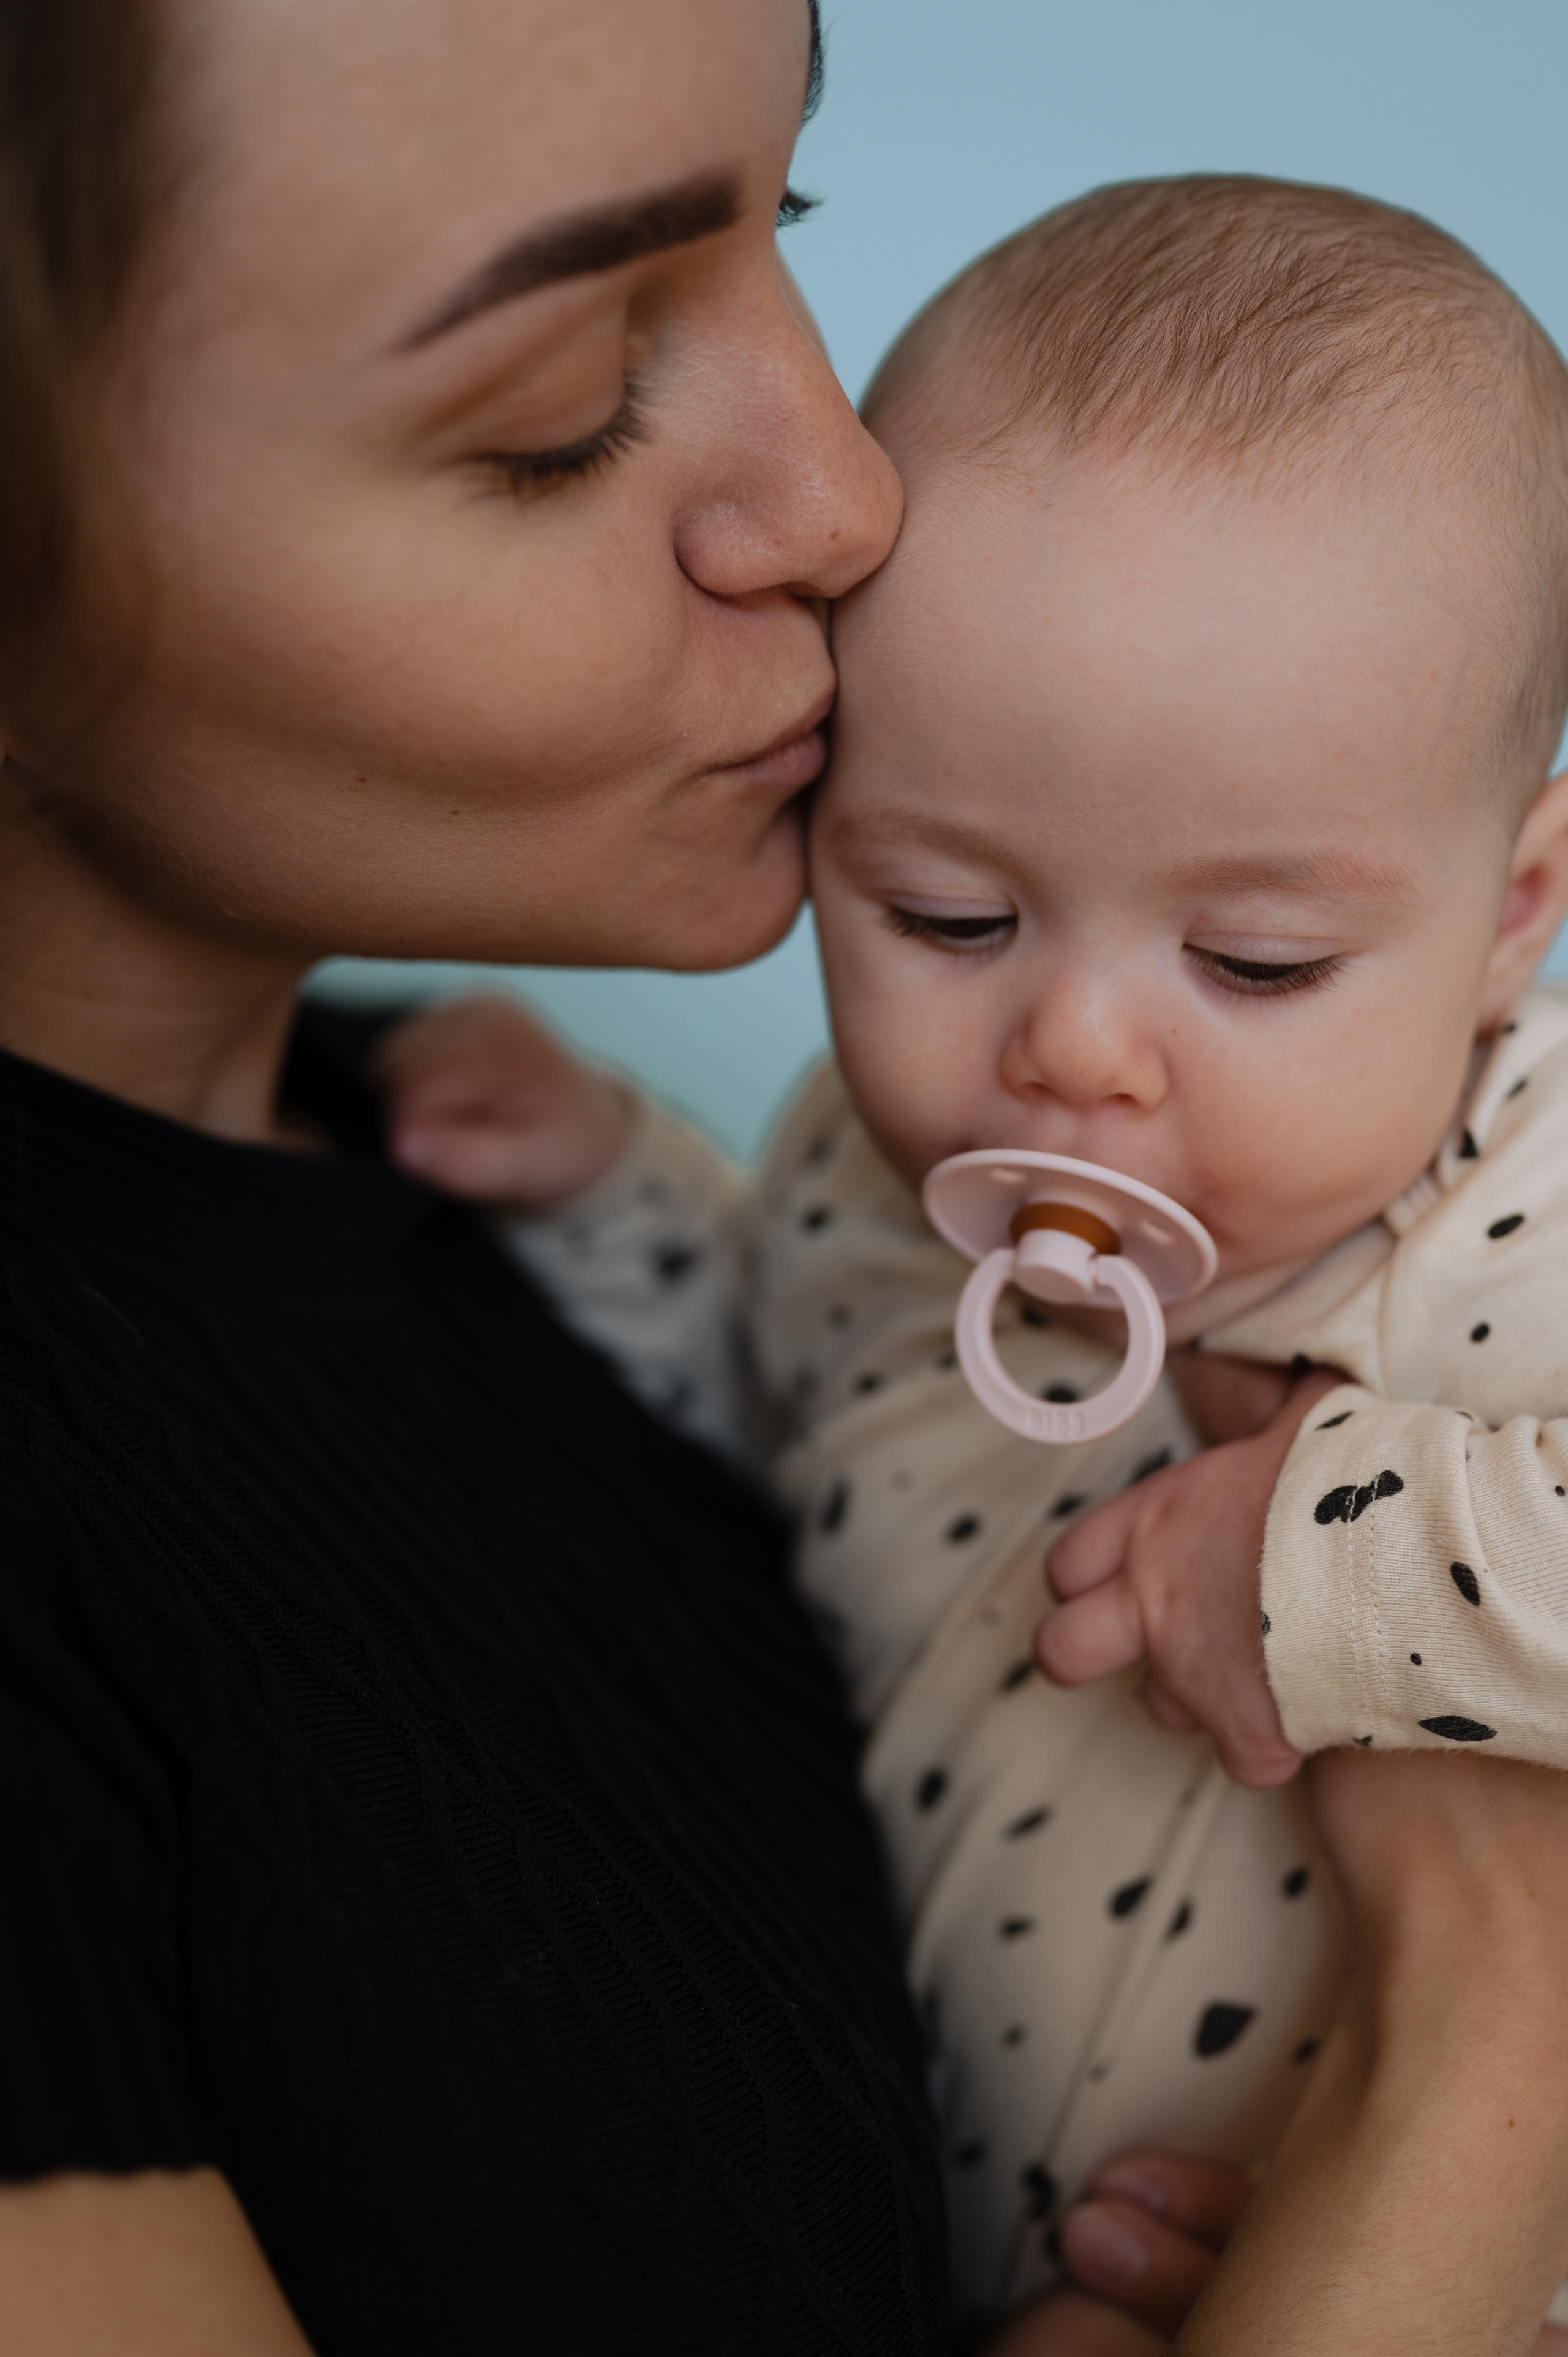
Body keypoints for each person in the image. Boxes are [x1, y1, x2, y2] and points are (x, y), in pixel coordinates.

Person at [0, 1, 1565, 2347]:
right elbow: (791, 1352)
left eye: (786, 220)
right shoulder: (892, 1179)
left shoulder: (1524, 1189)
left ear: (1515, 914)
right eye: (560, 402)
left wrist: (1347, 1572)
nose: (848, 498)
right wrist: (1466, 2096)